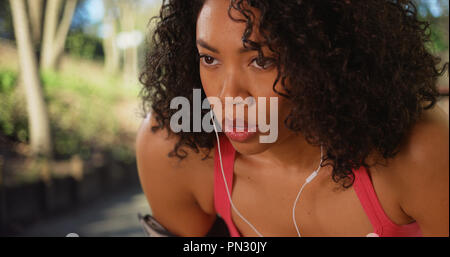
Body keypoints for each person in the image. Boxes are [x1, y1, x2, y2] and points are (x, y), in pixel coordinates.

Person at [136, 0, 449, 237]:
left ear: (328, 54)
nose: (228, 96)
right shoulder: (175, 150)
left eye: (262, 60)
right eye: (209, 58)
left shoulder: (419, 150)